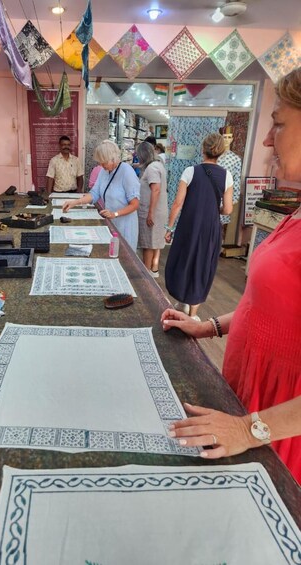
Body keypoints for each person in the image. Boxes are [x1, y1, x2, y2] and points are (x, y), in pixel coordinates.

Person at [161, 67, 301, 483]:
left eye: (278, 123)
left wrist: (248, 428)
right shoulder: (296, 213)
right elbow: (269, 311)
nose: (267, 138)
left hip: (280, 425)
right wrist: (209, 327)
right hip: (249, 397)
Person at [164, 133, 233, 319]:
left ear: (203, 150)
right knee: (202, 263)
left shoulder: (190, 171)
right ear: (221, 152)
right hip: (210, 228)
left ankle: (181, 300)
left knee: (183, 259)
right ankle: (194, 313)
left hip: (188, 225)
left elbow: (177, 203)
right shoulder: (227, 176)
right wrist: (212, 208)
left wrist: (169, 228)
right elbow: (227, 209)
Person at [62, 140, 140, 250]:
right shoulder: (104, 171)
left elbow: (135, 204)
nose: (101, 165)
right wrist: (75, 202)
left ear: (113, 158)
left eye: (104, 162)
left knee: (124, 255)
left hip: (125, 225)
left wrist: (115, 214)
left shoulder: (127, 172)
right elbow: (94, 193)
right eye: (100, 162)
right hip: (110, 222)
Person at [136, 141, 168, 277]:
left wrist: (150, 214)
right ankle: (151, 271)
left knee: (148, 244)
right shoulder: (157, 165)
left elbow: (155, 190)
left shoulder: (152, 168)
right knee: (153, 243)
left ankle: (146, 275)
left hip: (152, 212)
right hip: (157, 211)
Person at [217, 125, 242, 229]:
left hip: (225, 195)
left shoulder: (235, 159)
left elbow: (236, 180)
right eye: (224, 137)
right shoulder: (214, 155)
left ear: (232, 139)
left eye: (229, 137)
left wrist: (233, 199)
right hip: (210, 194)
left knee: (219, 226)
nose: (227, 140)